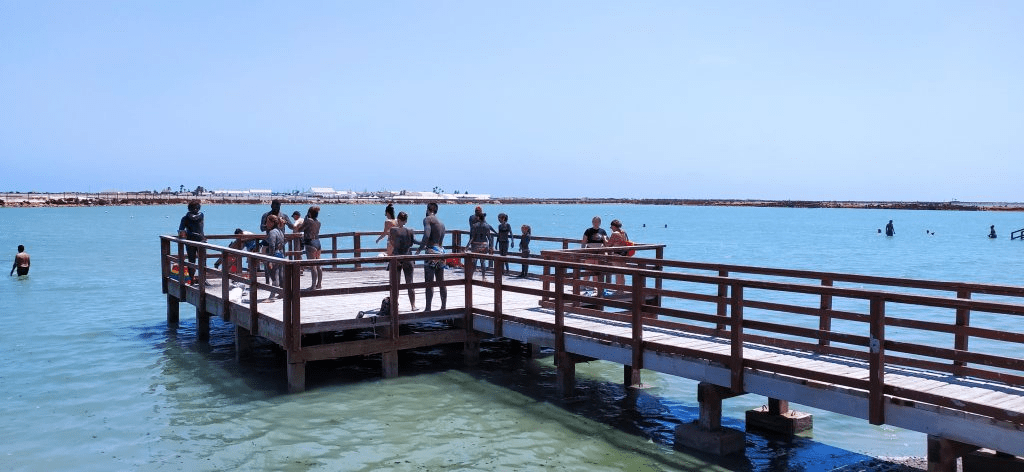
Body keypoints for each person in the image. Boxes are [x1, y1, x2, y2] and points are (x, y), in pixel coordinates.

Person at [418, 202, 447, 312]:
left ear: (427, 209)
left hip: (431, 251)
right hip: (441, 251)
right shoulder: (442, 223)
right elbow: (441, 241)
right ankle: (443, 307)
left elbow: (426, 235)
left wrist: (420, 249)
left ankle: (428, 308)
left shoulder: (427, 219)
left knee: (429, 282)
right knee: (441, 281)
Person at [389, 211, 421, 311]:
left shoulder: (393, 230)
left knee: (395, 284)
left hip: (396, 258)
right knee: (410, 282)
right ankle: (413, 306)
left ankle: (395, 306)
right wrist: (425, 242)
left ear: (398, 220)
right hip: (408, 257)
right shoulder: (410, 231)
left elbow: (391, 242)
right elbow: (414, 242)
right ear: (406, 221)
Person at [177, 200, 205, 283]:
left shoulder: (185, 218)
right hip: (201, 240)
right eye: (196, 208)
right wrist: (198, 235)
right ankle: (202, 279)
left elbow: (181, 231)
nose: (196, 210)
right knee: (202, 260)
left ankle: (192, 278)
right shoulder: (201, 216)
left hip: (190, 241)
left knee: (191, 260)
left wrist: (190, 233)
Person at [296, 206, 323, 290]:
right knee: (318, 265)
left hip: (310, 243)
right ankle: (319, 284)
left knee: (312, 266)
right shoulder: (318, 222)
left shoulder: (308, 221)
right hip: (318, 243)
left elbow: (299, 229)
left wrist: (304, 219)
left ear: (309, 213)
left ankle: (313, 286)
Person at [467, 212, 496, 280]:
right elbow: (489, 238)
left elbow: (472, 238)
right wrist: (491, 247)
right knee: (483, 261)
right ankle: (483, 277)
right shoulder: (487, 226)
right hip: (484, 245)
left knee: (474, 262)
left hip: (476, 245)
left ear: (479, 218)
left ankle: (470, 277)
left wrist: (467, 246)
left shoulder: (475, 226)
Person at [581, 216, 607, 292]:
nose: (596, 223)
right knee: (588, 269)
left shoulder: (603, 231)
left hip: (599, 252)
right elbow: (584, 241)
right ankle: (584, 284)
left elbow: (605, 243)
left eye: (598, 222)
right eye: (595, 222)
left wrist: (606, 252)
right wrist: (582, 251)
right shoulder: (588, 231)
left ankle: (596, 286)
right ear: (592, 222)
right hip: (590, 251)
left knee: (596, 269)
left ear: (600, 223)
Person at [264, 214, 286, 300]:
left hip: (274, 254)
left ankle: (272, 296)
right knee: (280, 275)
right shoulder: (280, 231)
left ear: (272, 222)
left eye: (267, 222)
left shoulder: (272, 232)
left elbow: (272, 246)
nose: (266, 224)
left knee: (274, 276)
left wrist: (270, 259)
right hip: (280, 254)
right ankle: (281, 294)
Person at [606, 219, 630, 288]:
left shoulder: (614, 234)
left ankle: (619, 290)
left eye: (611, 227)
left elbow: (608, 244)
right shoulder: (624, 232)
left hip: (617, 254)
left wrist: (605, 239)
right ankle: (622, 289)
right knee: (622, 273)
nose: (611, 229)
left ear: (614, 226)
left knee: (618, 273)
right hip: (624, 254)